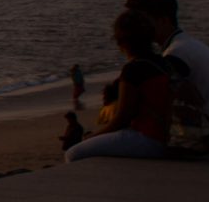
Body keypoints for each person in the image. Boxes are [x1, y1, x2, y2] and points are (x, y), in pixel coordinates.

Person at [124, 0, 209, 153]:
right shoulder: (187, 45)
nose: (137, 27)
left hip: (204, 138)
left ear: (164, 21)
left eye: (142, 21)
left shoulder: (177, 54)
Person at [65, 11, 175, 161]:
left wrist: (92, 137)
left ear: (120, 42)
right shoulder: (165, 62)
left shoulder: (133, 70)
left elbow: (122, 118)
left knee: (73, 153)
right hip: (172, 136)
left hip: (151, 139)